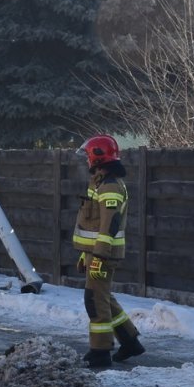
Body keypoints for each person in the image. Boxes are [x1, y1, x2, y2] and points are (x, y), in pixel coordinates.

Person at [73, 135, 145, 369]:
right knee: (103, 297)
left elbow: (109, 225)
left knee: (94, 300)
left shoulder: (110, 186)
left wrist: (99, 256)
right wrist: (86, 253)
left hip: (104, 255)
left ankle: (100, 351)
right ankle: (129, 340)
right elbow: (93, 224)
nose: (86, 160)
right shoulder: (100, 182)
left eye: (88, 155)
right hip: (96, 253)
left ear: (97, 156)